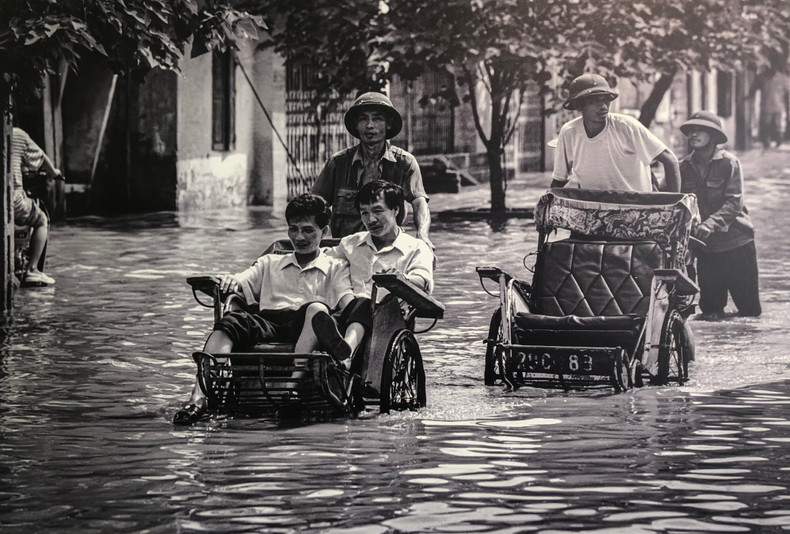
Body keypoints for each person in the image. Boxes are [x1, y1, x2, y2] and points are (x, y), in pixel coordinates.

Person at [173, 194, 362, 425]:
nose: (299, 237)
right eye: (293, 229)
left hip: (309, 326)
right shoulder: (270, 262)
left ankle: (290, 389)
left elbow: (347, 300)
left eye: (308, 230)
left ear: (325, 231)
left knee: (316, 310)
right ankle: (197, 398)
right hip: (269, 321)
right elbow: (242, 280)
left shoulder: (336, 266)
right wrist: (227, 281)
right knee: (230, 321)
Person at [311, 180, 435, 371]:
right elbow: (322, 263)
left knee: (364, 303)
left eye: (378, 211)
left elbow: (423, 280)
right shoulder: (350, 244)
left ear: (395, 210)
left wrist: (401, 279)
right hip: (345, 311)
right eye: (364, 213)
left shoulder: (416, 248)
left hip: (387, 318)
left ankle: (346, 354)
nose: (371, 220)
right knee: (319, 311)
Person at [311, 92, 433, 249]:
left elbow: (419, 204)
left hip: (389, 250)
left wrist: (423, 235)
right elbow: (315, 207)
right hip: (346, 251)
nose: (370, 125)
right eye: (363, 119)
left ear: (388, 124)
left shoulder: (405, 162)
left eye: (377, 118)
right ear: (356, 124)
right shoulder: (338, 163)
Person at [679, 111, 761, 320]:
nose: (694, 135)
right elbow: (668, 197)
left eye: (700, 130)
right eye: (691, 131)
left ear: (714, 136)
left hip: (737, 244)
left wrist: (710, 224)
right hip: (706, 249)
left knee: (749, 312)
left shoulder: (729, 163)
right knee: (711, 313)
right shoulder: (682, 167)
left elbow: (734, 202)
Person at [550, 73, 681, 193]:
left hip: (637, 207)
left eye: (605, 100)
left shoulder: (626, 126)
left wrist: (675, 204)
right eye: (594, 101)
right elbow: (559, 180)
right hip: (595, 209)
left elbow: (671, 160)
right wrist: (547, 205)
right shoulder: (569, 133)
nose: (603, 106)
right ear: (580, 105)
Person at [11, 127, 60, 285]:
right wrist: (54, 172)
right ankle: (32, 270)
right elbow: (40, 157)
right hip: (13, 200)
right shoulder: (17, 134)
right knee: (41, 219)